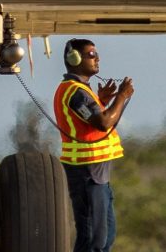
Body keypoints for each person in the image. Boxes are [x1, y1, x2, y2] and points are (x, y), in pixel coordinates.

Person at [54, 38, 132, 252]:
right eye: (91, 55)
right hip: (87, 172)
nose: (97, 59)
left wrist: (102, 101)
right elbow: (103, 122)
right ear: (74, 59)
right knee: (92, 238)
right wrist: (121, 97)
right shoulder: (75, 92)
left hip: (96, 172)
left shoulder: (81, 91)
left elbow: (89, 118)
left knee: (106, 236)